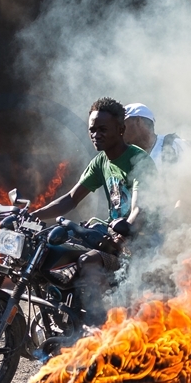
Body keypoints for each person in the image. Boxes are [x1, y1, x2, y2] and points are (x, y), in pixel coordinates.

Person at [31, 97, 155, 319]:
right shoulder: (101, 162)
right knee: (55, 250)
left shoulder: (138, 160)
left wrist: (123, 233)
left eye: (102, 129)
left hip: (138, 244)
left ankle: (99, 325)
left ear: (120, 129)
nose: (96, 135)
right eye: (92, 130)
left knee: (89, 260)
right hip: (111, 236)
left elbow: (140, 207)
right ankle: (63, 314)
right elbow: (70, 199)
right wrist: (32, 215)